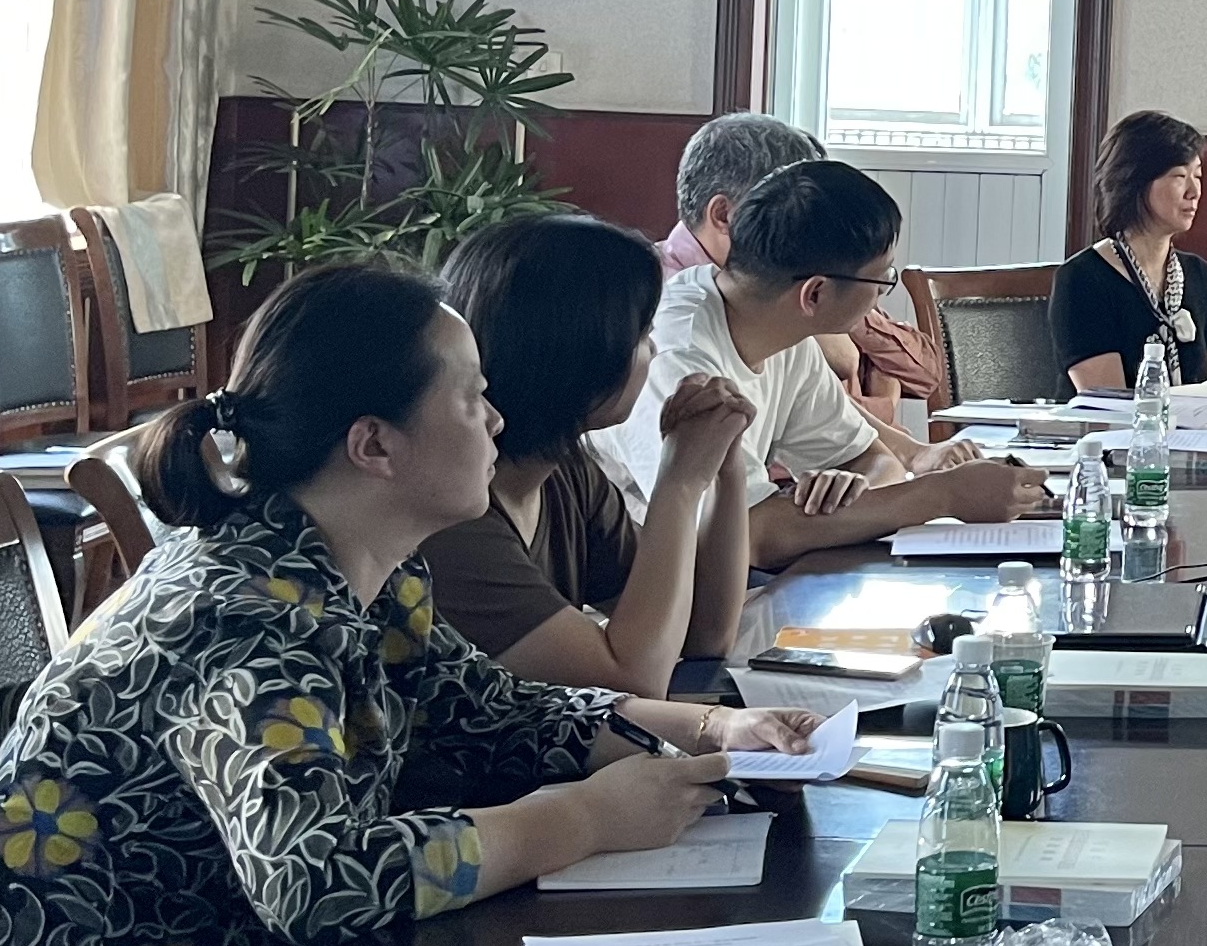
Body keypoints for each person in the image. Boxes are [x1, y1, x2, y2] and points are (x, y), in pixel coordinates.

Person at [0, 258, 816, 946]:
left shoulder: (357, 569)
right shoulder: (242, 618)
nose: (496, 419)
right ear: (374, 444)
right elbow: (316, 877)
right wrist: (582, 818)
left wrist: (714, 727)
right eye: (471, 397)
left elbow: (499, 711)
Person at [609, 159, 1047, 570]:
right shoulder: (678, 353)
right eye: (881, 278)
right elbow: (748, 536)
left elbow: (877, 463)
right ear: (815, 294)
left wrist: (846, 496)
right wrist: (943, 495)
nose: (883, 293)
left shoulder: (781, 329)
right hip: (643, 588)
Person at [420, 215, 754, 693]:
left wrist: (727, 466)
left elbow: (704, 634)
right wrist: (679, 483)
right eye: (643, 335)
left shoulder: (564, 469)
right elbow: (633, 679)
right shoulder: (452, 518)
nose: (655, 349)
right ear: (582, 354)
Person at [659, 112, 947, 442]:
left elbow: (923, 375)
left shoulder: (816, 279)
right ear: (724, 215)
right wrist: (884, 401)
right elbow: (836, 385)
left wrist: (858, 296)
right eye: (793, 208)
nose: (818, 227)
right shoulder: (669, 304)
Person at [1054, 109, 1207, 392]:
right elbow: (1107, 403)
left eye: (1197, 175)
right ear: (1135, 182)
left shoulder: (1200, 275)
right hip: (1118, 422)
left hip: (1192, 423)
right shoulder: (1083, 278)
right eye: (1179, 175)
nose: (1194, 191)